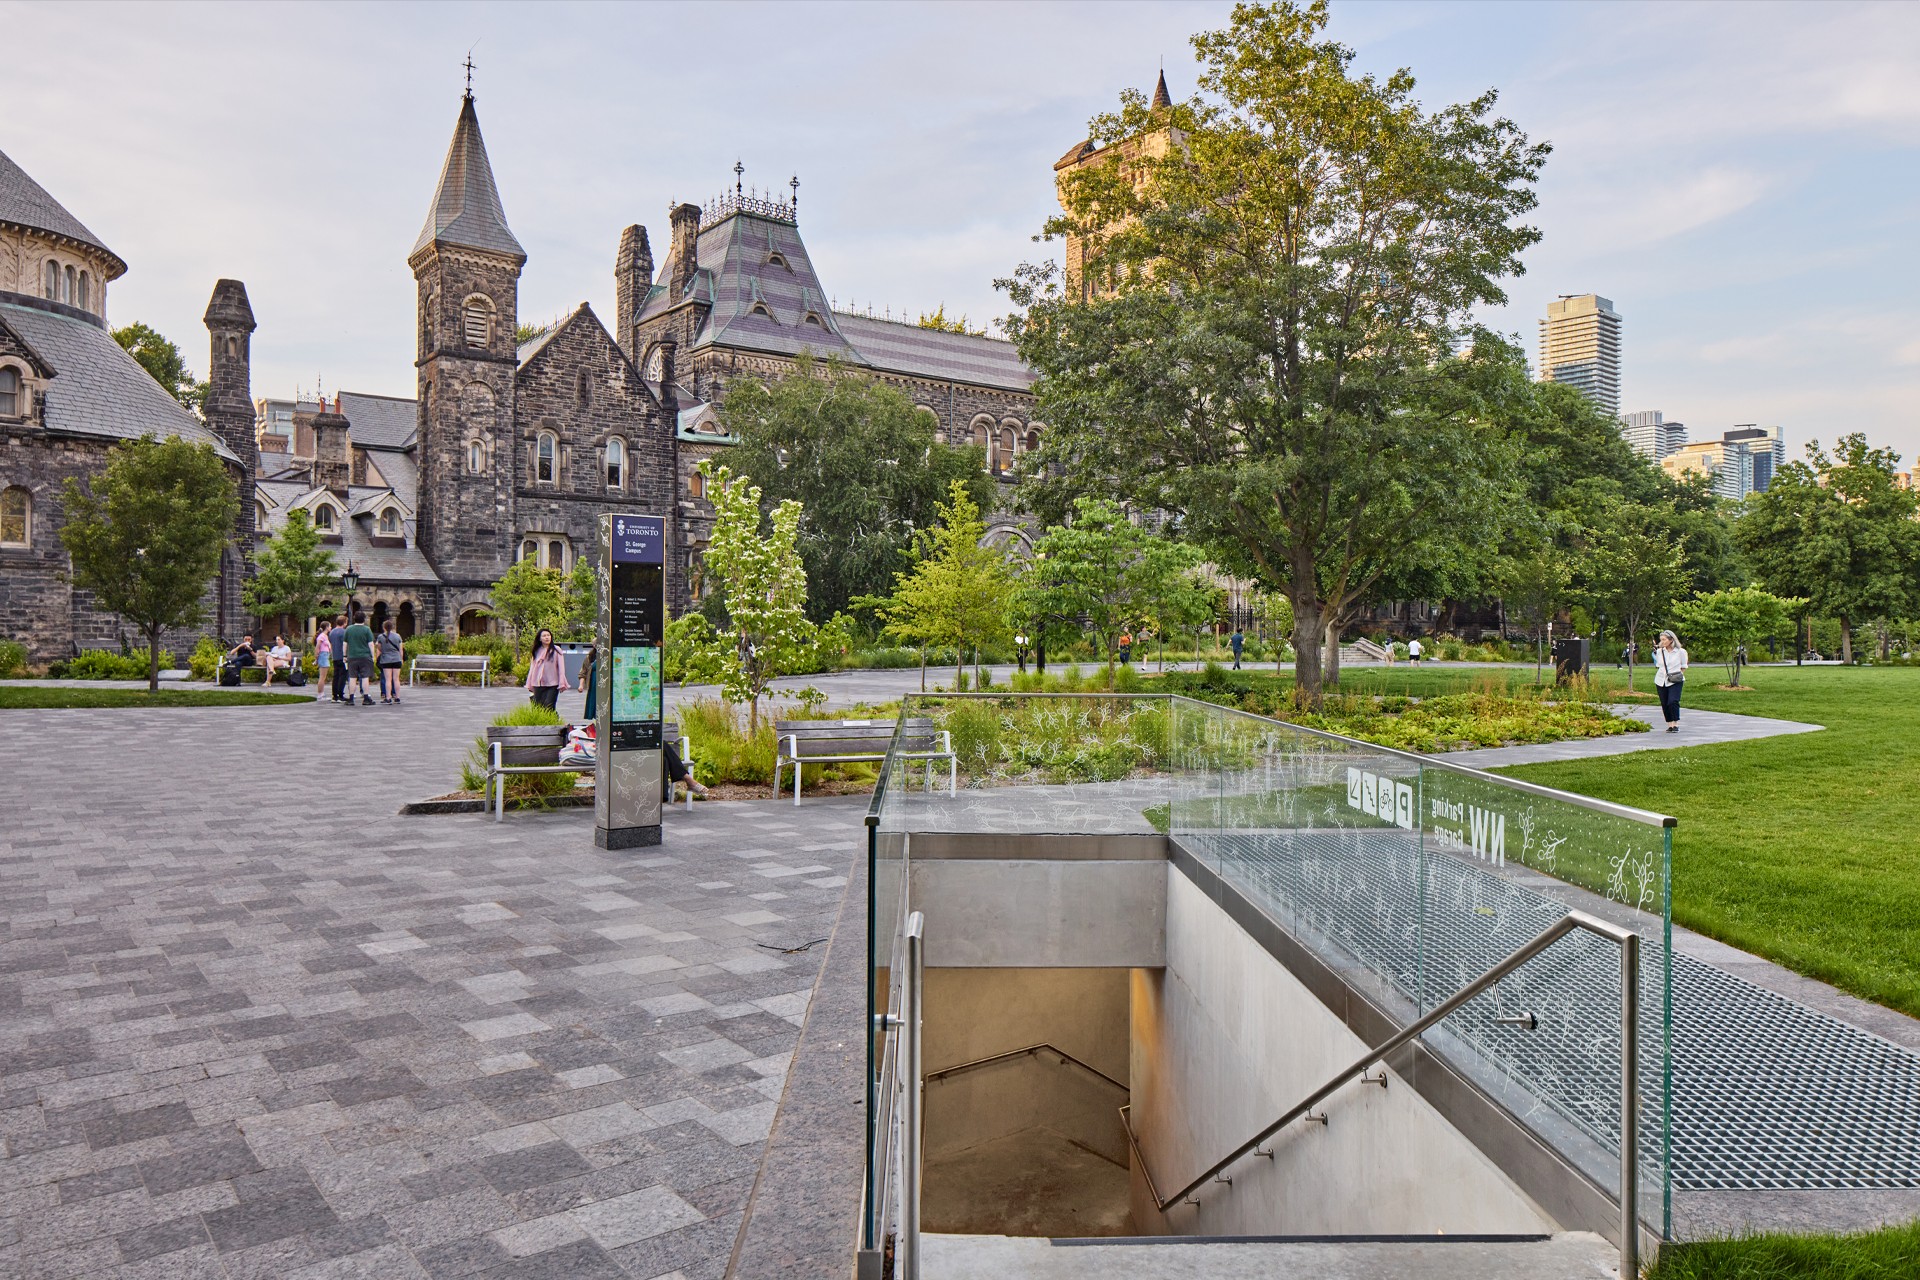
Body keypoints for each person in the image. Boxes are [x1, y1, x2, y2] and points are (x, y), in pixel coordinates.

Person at [1653, 629, 1688, 732]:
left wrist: (1678, 675)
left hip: (1675, 680)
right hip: (1661, 679)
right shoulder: (1659, 652)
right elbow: (1658, 666)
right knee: (1664, 702)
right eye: (1661, 640)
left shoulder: (1680, 652)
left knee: (1673, 701)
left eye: (1664, 639)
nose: (1662, 642)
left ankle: (1675, 723)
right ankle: (1670, 724)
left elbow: (1684, 666)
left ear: (1671, 640)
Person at [342, 611, 377, 706]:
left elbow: (345, 644)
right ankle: (366, 698)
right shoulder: (367, 629)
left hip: (352, 656)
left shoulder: (349, 629)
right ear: (364, 619)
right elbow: (371, 644)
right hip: (365, 656)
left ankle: (351, 698)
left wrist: (344, 655)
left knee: (352, 678)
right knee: (365, 677)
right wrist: (372, 655)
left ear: (354, 619)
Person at [525, 628, 565, 711]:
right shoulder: (536, 651)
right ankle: (547, 722)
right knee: (538, 707)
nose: (547, 637)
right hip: (537, 683)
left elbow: (561, 668)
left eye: (548, 635)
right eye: (544, 636)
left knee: (549, 706)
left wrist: (562, 682)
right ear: (540, 638)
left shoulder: (556, 650)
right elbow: (532, 668)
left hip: (552, 684)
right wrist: (529, 683)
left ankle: (554, 723)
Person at [375, 620, 405, 704]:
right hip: (396, 659)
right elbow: (400, 649)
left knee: (388, 679)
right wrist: (401, 658)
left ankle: (388, 697)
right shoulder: (397, 636)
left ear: (384, 627)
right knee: (396, 679)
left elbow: (379, 648)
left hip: (386, 659)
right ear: (392, 627)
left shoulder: (381, 637)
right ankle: (397, 697)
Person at [328, 615, 349, 703]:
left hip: (335, 656)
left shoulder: (332, 632)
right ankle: (340, 694)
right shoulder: (344, 632)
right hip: (343, 656)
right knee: (342, 676)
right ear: (344, 623)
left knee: (336, 676)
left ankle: (334, 694)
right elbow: (346, 644)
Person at [315, 625, 332, 700]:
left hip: (325, 655)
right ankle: (320, 694)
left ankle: (321, 693)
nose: (331, 628)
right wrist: (316, 657)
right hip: (323, 655)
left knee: (323, 677)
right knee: (322, 677)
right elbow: (317, 646)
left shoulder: (325, 636)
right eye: (330, 626)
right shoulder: (322, 636)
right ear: (327, 627)